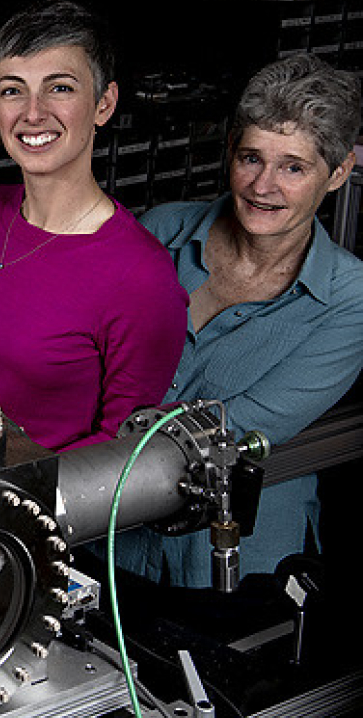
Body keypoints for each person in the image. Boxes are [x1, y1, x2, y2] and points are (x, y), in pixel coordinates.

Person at [112, 54, 363, 586]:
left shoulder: (350, 298)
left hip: (233, 563)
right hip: (110, 541)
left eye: (293, 167)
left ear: (338, 172)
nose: (262, 186)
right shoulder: (160, 232)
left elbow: (238, 428)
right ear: (229, 151)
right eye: (251, 157)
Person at [0, 0, 186, 451]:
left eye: (60, 88)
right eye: (12, 90)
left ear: (103, 104)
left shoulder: (141, 275)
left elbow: (120, 454)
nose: (33, 112)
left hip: (39, 510)